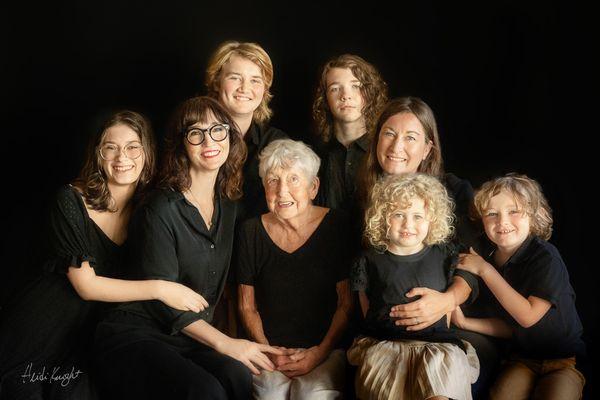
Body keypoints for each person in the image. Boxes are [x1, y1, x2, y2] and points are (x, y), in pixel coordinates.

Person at [0, 110, 206, 400]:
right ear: (99, 155)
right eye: (111, 147)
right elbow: (86, 286)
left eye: (133, 147)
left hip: (87, 336)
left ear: (147, 153)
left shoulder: (148, 213)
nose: (122, 157)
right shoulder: (70, 200)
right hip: (41, 326)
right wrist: (161, 289)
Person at [93, 97, 283, 400]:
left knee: (237, 376)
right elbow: (165, 302)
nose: (209, 141)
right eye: (196, 133)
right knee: (205, 390)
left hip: (187, 337)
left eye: (217, 130)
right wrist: (225, 343)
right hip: (139, 333)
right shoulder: (160, 207)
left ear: (230, 138)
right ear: (182, 144)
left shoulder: (230, 206)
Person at [361, 96, 498, 397]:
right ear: (376, 141)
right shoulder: (363, 197)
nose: (397, 147)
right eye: (389, 133)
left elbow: (471, 259)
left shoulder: (454, 191)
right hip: (385, 325)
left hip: (445, 322)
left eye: (411, 137)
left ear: (427, 148)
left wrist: (446, 300)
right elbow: (357, 272)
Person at [452, 173, 586, 400]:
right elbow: (510, 326)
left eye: (513, 211)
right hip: (521, 359)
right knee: (502, 395)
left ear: (533, 216)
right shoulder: (490, 256)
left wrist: (484, 270)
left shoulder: (545, 257)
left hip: (562, 361)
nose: (502, 222)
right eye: (492, 214)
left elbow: (527, 317)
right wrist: (464, 322)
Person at [236, 139, 353, 399]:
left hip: (326, 349)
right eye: (273, 180)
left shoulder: (337, 226)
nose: (282, 191)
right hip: (269, 350)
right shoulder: (250, 231)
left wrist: (319, 352)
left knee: (312, 395)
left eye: (293, 180)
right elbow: (247, 306)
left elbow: (345, 304)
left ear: (313, 187)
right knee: (269, 395)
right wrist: (269, 352)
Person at [348, 173, 480, 400]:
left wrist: (449, 301)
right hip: (387, 345)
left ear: (432, 220)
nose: (408, 224)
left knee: (441, 390)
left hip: (437, 345)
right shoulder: (369, 259)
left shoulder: (445, 253)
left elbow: (469, 279)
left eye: (418, 216)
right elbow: (366, 306)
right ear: (382, 217)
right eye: (399, 214)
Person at [206, 40, 288, 219]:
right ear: (216, 81)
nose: (245, 88)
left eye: (255, 80)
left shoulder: (277, 144)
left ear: (265, 89)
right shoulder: (196, 138)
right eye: (235, 77)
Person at [312, 54, 388, 217]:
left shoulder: (386, 152)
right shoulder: (313, 154)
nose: (345, 95)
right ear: (325, 99)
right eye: (335, 88)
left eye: (356, 86)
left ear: (370, 93)